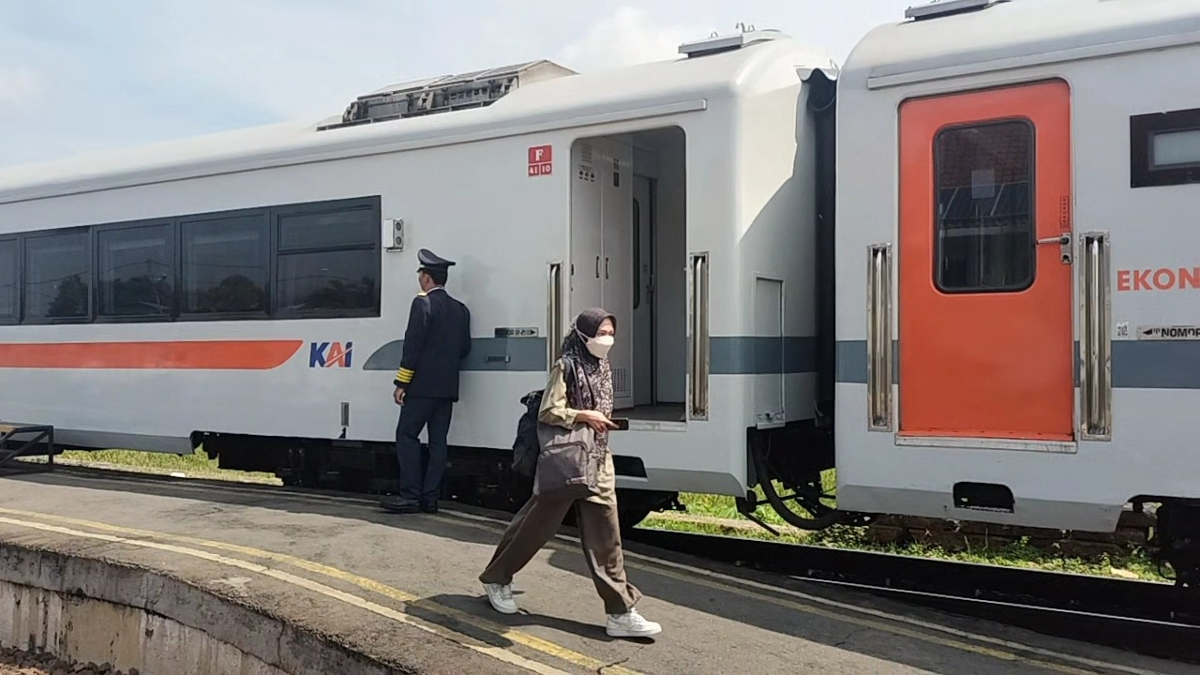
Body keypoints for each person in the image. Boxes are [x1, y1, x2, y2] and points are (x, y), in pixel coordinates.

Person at [478, 308, 662, 639]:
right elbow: (549, 411)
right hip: (567, 459)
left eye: (610, 332)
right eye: (601, 333)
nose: (607, 339)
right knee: (535, 525)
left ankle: (620, 611)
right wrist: (584, 415)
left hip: (599, 459)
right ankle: (498, 577)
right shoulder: (566, 366)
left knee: (607, 535)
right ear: (583, 335)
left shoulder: (602, 367)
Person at [380, 248, 472, 515]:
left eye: (421, 273)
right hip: (447, 389)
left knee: (406, 435)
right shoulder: (461, 310)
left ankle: (409, 495)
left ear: (427, 278)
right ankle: (430, 499)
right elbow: (464, 348)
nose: (420, 277)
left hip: (421, 388)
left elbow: (413, 347)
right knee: (438, 443)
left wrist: (402, 383)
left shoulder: (422, 303)